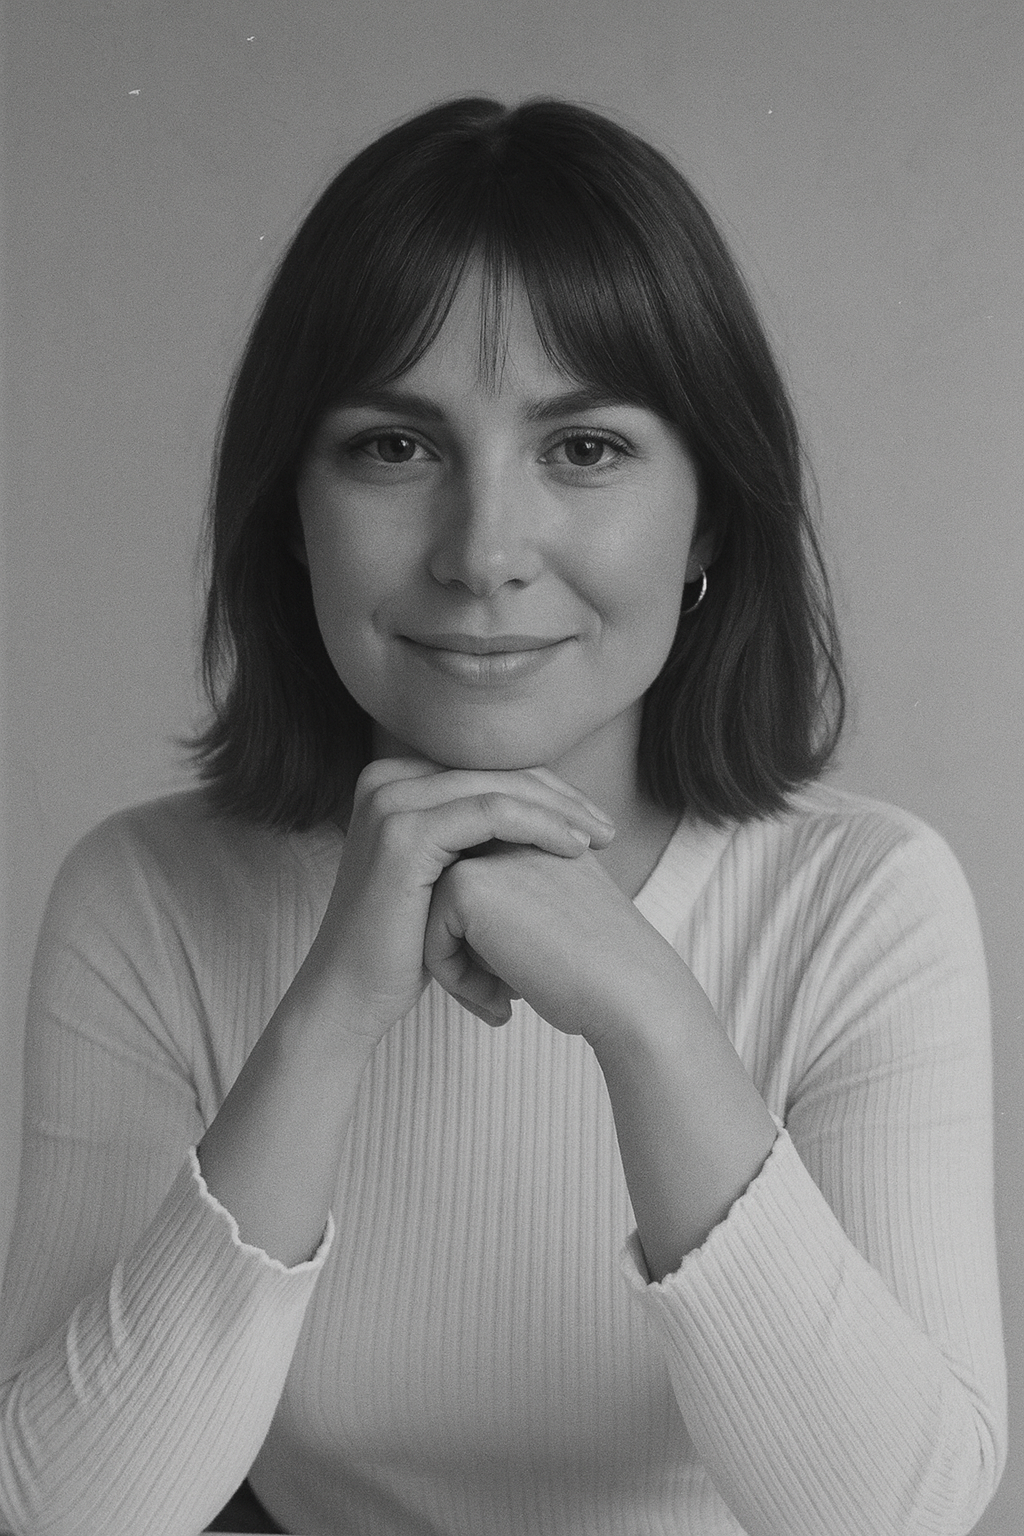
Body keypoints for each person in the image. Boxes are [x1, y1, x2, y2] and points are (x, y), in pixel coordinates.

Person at [0, 95, 1006, 1536]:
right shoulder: (148, 899)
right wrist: (329, 1015)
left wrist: (652, 1019)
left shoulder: (864, 901)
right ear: (290, 508)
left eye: (584, 449)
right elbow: (62, 1515)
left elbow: (899, 1516)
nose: (482, 554)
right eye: (393, 450)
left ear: (710, 512)